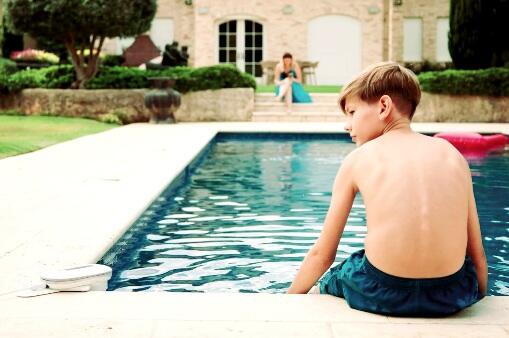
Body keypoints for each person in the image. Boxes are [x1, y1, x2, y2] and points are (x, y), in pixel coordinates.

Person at [287, 61, 487, 317]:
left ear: (384, 106)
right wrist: (479, 294)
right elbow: (476, 251)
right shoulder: (452, 155)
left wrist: (289, 298)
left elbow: (322, 255)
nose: (347, 125)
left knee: (342, 271)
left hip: (382, 292)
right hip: (450, 295)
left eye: (352, 112)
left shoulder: (358, 159)